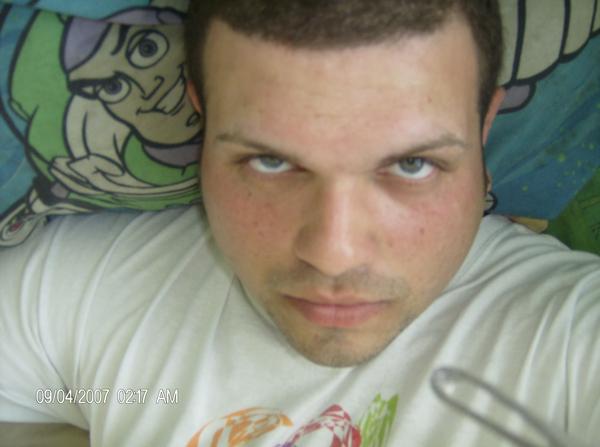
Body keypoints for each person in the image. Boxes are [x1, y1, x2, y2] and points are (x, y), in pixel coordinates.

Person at [1, 1, 599, 446]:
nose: (334, 254)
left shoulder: (572, 342)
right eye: (270, 161)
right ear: (202, 116)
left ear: (484, 126)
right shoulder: (90, 289)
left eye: (412, 165)